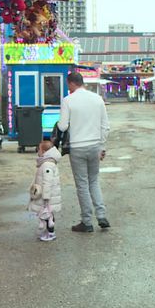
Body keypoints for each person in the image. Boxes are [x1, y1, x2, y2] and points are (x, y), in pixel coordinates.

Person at [58, 72, 110, 232]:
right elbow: (105, 126)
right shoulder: (97, 99)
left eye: (68, 85)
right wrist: (101, 146)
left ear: (72, 83)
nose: (68, 88)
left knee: (82, 184)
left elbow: (62, 126)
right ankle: (101, 215)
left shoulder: (68, 100)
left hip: (77, 147)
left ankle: (86, 222)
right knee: (94, 181)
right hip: (94, 146)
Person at [28, 141, 62, 242]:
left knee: (47, 215)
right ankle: (48, 231)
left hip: (46, 197)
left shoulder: (47, 165)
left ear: (44, 151)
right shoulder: (47, 163)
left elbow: (47, 182)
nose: (37, 151)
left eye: (39, 149)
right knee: (47, 214)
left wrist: (46, 197)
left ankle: (51, 233)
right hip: (46, 196)